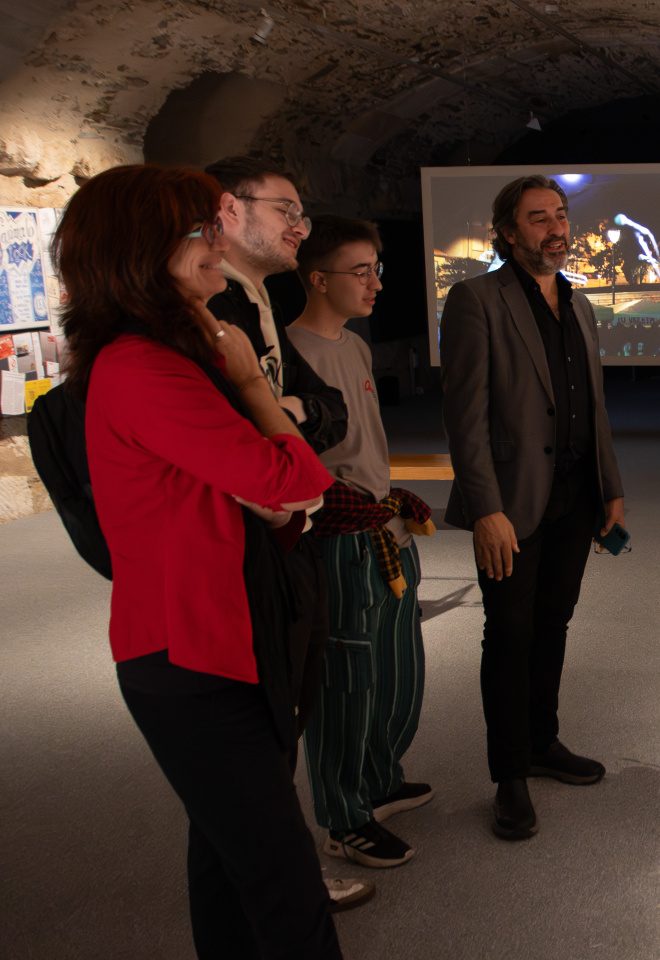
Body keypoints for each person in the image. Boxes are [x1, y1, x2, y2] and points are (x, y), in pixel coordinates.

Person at [60, 164, 347, 956]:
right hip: (191, 654)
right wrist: (255, 388)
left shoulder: (164, 355)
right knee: (283, 883)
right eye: (200, 229)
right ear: (140, 250)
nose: (217, 241)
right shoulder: (143, 367)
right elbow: (295, 480)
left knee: (229, 864)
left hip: (218, 636)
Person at [203, 156, 370, 908]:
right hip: (246, 546)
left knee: (288, 712)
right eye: (285, 209)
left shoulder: (257, 303)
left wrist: (282, 412)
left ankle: (272, 874)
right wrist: (286, 416)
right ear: (228, 210)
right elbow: (240, 445)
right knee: (258, 729)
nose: (300, 225)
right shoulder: (209, 311)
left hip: (289, 537)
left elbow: (327, 413)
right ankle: (278, 880)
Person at [441, 175, 626, 840]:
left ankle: (543, 742)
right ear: (508, 231)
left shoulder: (579, 304)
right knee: (509, 634)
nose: (555, 229)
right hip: (510, 504)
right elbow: (465, 418)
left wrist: (610, 487)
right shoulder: (476, 300)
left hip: (575, 498)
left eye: (560, 215)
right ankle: (509, 774)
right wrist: (484, 509)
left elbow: (593, 407)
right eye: (539, 218)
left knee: (553, 624)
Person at [286, 216, 434, 868]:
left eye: (378, 269)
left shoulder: (354, 345)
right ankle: (343, 818)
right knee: (346, 680)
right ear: (319, 279)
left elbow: (361, 444)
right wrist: (327, 500)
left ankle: (378, 779)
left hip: (383, 527)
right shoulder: (290, 357)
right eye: (361, 271)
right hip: (337, 538)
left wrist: (388, 491)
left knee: (396, 672)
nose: (375, 283)